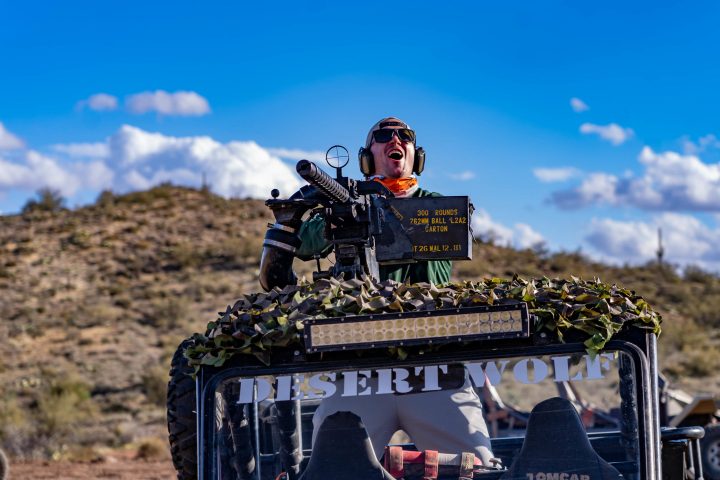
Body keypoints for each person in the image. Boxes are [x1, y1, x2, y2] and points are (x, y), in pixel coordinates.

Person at [296, 117, 495, 465]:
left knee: (476, 466)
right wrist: (338, 217)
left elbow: (454, 232)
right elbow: (304, 243)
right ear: (367, 156)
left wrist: (388, 210)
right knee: (329, 468)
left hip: (433, 366)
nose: (396, 140)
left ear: (416, 154)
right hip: (359, 369)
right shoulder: (347, 204)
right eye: (383, 136)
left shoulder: (436, 205)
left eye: (405, 136)